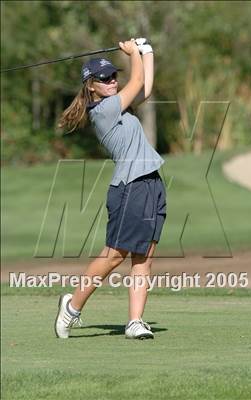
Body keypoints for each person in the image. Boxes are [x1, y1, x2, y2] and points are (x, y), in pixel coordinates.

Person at [54, 38, 167, 340]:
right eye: (105, 78)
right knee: (115, 255)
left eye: (114, 75)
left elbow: (146, 87)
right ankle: (72, 307)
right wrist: (133, 53)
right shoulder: (102, 110)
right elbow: (139, 78)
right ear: (91, 86)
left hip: (151, 183)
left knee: (144, 257)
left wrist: (147, 51)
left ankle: (135, 322)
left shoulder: (119, 105)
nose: (112, 81)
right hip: (129, 187)